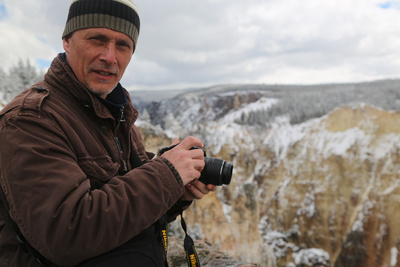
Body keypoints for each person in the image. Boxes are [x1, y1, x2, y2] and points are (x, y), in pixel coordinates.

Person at [0, 0, 216, 266]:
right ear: (67, 41)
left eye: (123, 45)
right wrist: (166, 175)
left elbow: (125, 216)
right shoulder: (30, 119)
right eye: (97, 39)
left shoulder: (117, 113)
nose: (110, 57)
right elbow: (65, 234)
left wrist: (176, 191)